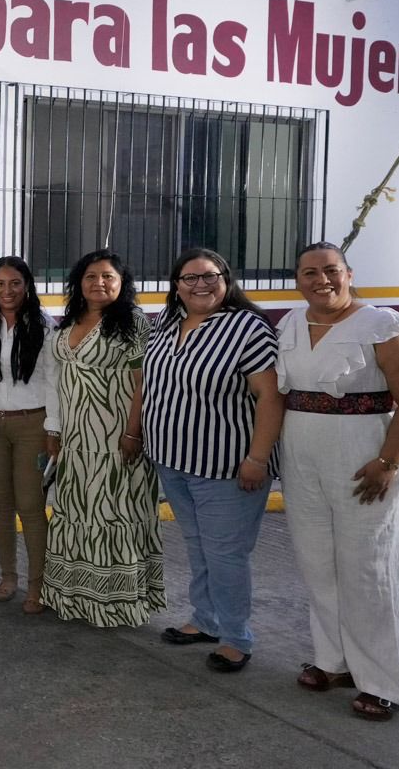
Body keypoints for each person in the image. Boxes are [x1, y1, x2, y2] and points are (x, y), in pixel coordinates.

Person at [277, 242, 399, 721]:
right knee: (317, 563)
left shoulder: (383, 325)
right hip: (301, 455)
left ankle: (385, 681)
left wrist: (389, 461)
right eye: (309, 272)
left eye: (331, 270)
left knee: (369, 568)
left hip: (365, 457)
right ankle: (334, 661)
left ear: (349, 273)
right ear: (297, 280)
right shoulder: (290, 323)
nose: (321, 280)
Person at [143, 247, 283, 673]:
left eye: (210, 276)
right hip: (172, 460)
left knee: (226, 554)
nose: (200, 285)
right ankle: (206, 619)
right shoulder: (166, 323)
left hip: (226, 466)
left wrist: (258, 458)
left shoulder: (248, 328)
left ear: (226, 280)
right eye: (190, 278)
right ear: (176, 285)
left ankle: (236, 637)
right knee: (198, 545)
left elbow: (270, 396)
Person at [41, 249, 164, 627]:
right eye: (91, 276)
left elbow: (144, 382)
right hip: (76, 443)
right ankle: (74, 597)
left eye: (108, 276)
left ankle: (115, 603)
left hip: (116, 441)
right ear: (79, 282)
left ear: (122, 282)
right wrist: (53, 428)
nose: (99, 283)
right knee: (77, 513)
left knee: (115, 515)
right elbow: (54, 379)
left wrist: (132, 431)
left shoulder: (134, 323)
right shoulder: (69, 322)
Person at [0, 255, 57, 613]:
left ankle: (38, 584)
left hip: (32, 426)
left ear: (27, 286)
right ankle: (8, 575)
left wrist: (53, 429)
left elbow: (54, 382)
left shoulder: (45, 326)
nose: (7, 291)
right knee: (0, 505)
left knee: (31, 506)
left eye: (14, 283)